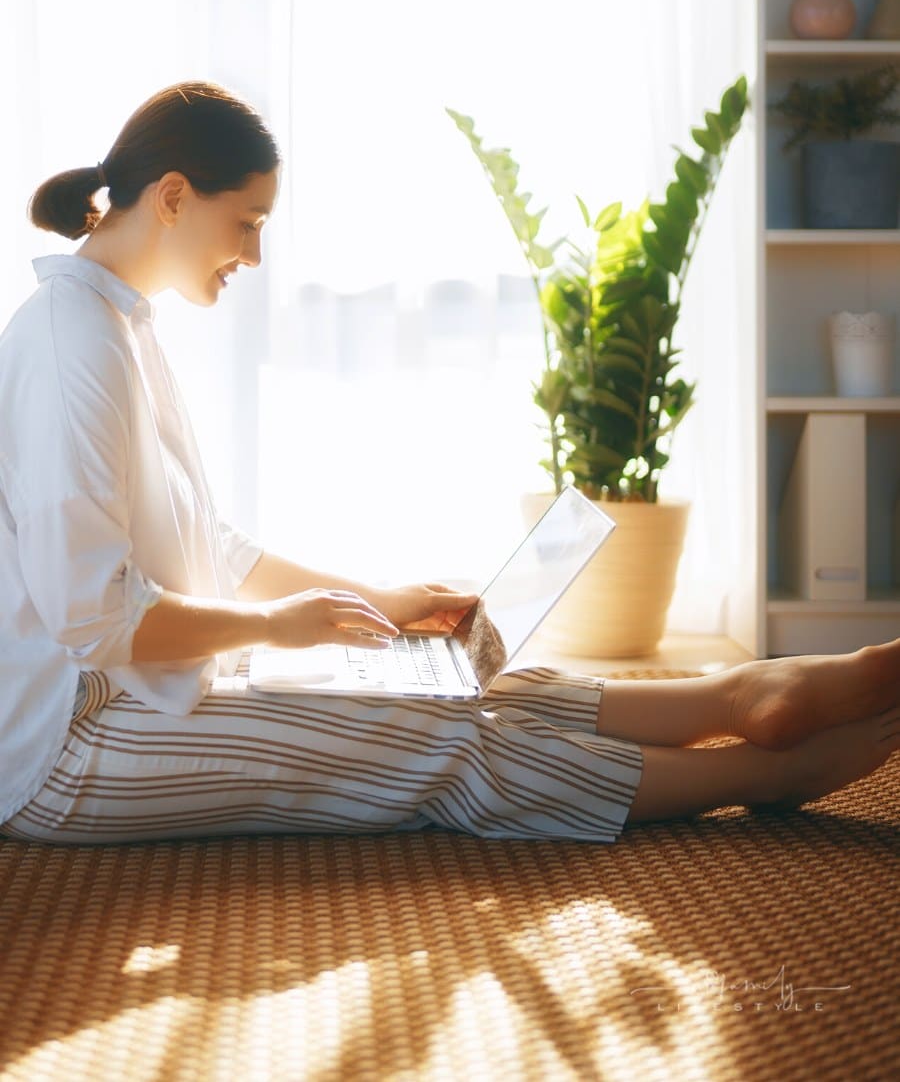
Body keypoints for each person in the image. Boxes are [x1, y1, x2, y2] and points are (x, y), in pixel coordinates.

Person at [1, 81, 898, 846]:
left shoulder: (117, 326)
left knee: (477, 672)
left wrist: (374, 604)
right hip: (71, 742)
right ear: (171, 197)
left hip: (138, 686)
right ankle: (754, 775)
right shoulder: (73, 339)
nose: (255, 253)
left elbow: (213, 546)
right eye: (247, 222)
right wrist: (280, 628)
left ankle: (740, 695)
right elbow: (90, 614)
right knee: (437, 735)